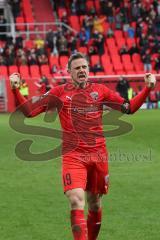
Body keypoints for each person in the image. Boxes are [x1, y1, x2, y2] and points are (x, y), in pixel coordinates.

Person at [10, 52, 156, 240]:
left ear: (89, 69)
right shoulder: (59, 92)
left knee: (94, 203)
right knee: (75, 199)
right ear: (69, 72)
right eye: (77, 68)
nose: (81, 71)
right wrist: (15, 89)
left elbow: (128, 108)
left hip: (98, 155)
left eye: (84, 67)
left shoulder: (101, 91)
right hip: (73, 155)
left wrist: (147, 89)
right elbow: (30, 111)